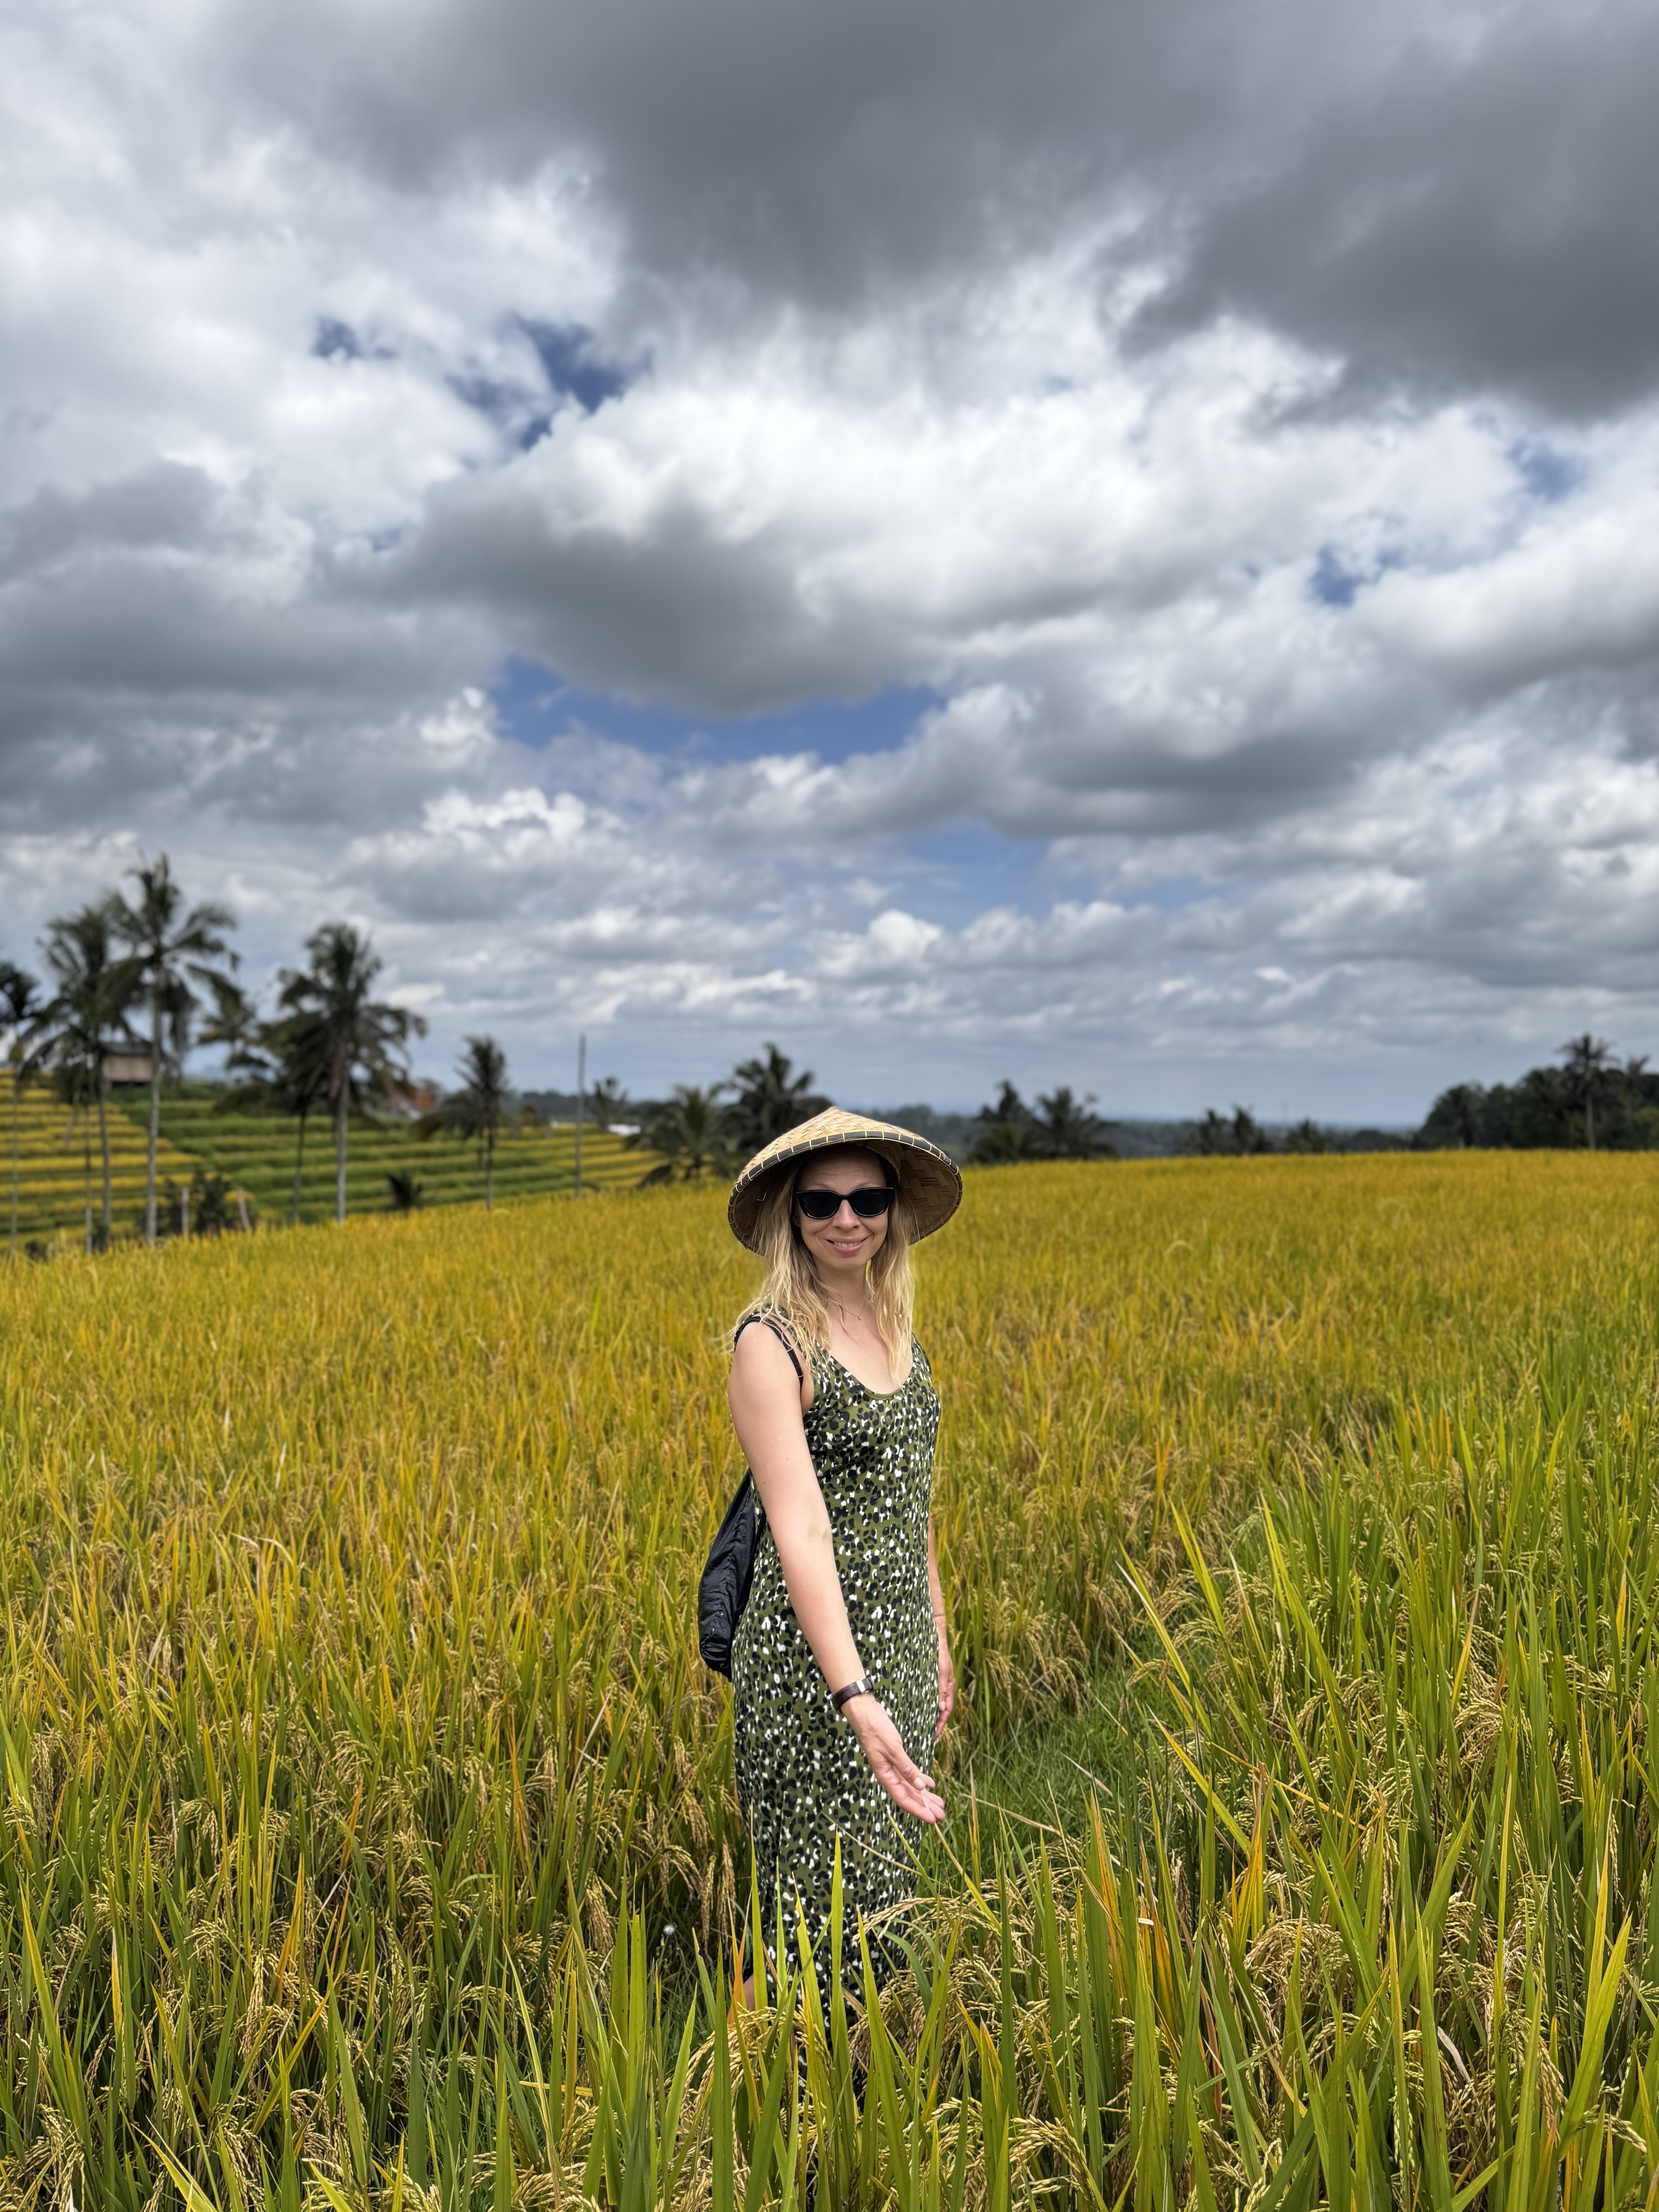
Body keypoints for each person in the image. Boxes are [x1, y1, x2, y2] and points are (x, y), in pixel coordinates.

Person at [725, 1106, 963, 1996]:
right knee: (811, 1907)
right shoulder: (770, 1343)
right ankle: (737, 2109)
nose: (846, 1219)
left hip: (896, 1646)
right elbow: (802, 1531)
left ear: (893, 1209)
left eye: (867, 1198)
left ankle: (850, 2096)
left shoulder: (898, 1325)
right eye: (822, 1202)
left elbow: (914, 1500)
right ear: (793, 1216)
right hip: (814, 1668)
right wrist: (854, 1694)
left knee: (882, 1895)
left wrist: (936, 1633)